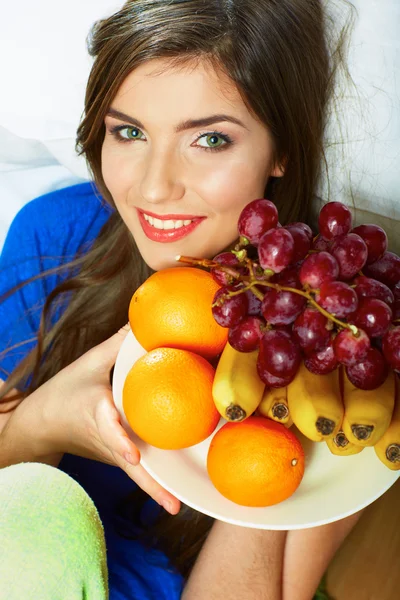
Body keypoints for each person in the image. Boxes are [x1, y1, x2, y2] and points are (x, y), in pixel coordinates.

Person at [0, 0, 362, 598]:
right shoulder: (54, 234)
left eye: (210, 139)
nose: (153, 186)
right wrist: (45, 421)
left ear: (281, 150)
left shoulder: (333, 340)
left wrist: (286, 386)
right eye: (130, 132)